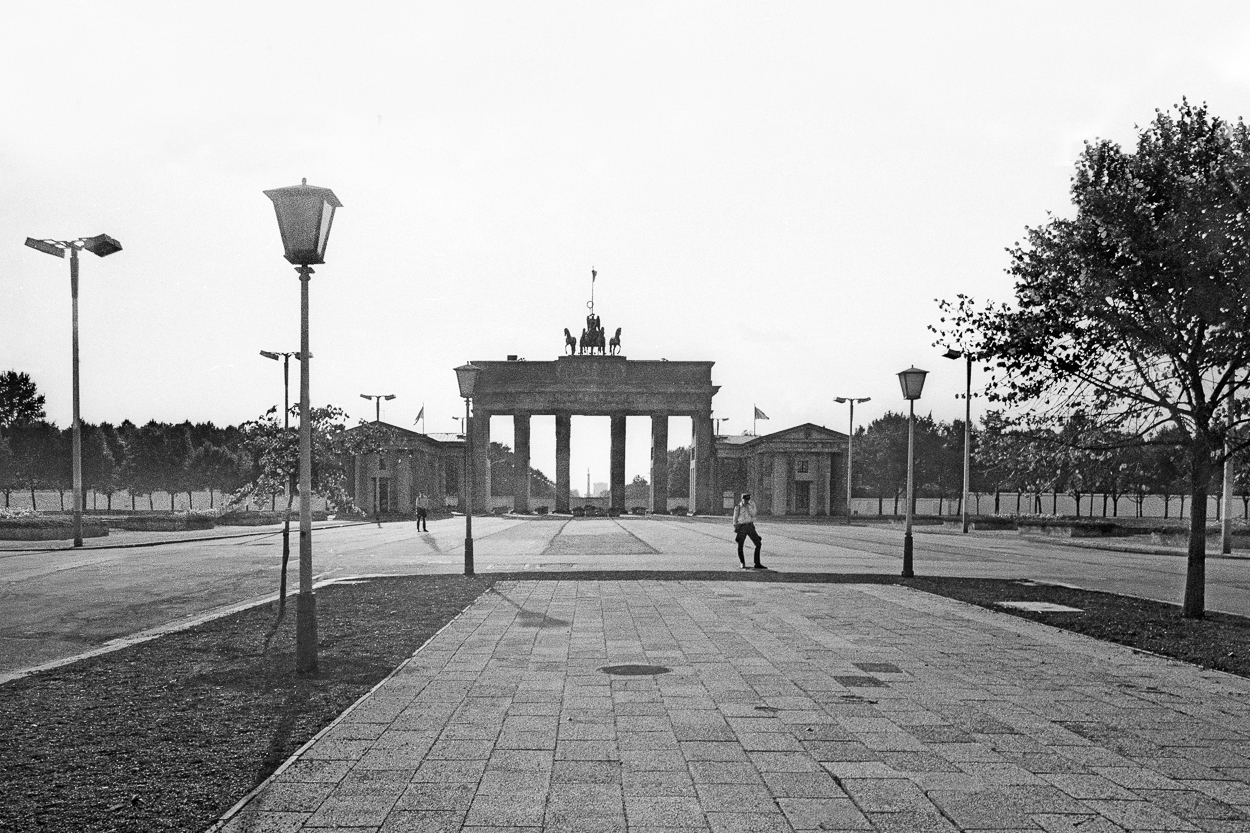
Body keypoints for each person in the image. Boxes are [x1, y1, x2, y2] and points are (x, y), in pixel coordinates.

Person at [732, 493, 765, 569]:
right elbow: (735, 517)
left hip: (750, 526)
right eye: (745, 499)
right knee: (740, 545)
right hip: (742, 527)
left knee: (758, 544)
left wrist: (748, 507)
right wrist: (735, 526)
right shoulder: (738, 506)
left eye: (748, 499)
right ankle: (742, 562)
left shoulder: (752, 504)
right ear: (742, 499)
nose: (746, 501)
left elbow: (754, 514)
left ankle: (757, 563)